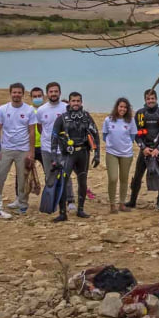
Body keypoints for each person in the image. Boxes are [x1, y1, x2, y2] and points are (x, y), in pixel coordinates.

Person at [51, 92, 100, 221]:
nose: (76, 103)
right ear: (69, 102)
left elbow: (95, 135)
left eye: (78, 101)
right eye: (73, 101)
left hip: (83, 152)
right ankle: (62, 213)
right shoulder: (62, 118)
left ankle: (81, 210)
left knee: (82, 182)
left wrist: (97, 154)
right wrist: (54, 157)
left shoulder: (86, 117)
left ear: (81, 102)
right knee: (63, 181)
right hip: (68, 154)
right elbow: (54, 137)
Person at [0, 82, 37, 214]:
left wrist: (31, 152)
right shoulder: (2, 109)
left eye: (19, 92)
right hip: (6, 149)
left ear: (23, 94)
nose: (16, 95)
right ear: (10, 93)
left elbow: (32, 132)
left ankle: (23, 204)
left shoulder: (29, 110)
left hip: (23, 150)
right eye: (14, 92)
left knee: (23, 178)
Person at [128, 88, 159, 210]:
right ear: (145, 100)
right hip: (145, 149)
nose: (150, 101)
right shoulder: (140, 113)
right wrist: (143, 147)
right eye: (148, 99)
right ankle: (132, 200)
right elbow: (136, 133)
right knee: (137, 175)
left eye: (152, 98)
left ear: (156, 99)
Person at [36, 82, 72, 211]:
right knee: (50, 175)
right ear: (47, 94)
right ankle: (52, 199)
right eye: (51, 92)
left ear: (60, 93)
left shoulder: (66, 108)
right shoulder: (41, 110)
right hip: (46, 148)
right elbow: (40, 128)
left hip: (63, 148)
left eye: (56, 91)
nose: (53, 94)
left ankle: (70, 200)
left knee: (66, 174)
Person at [103, 97, 138, 213]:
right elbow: (104, 135)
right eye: (120, 106)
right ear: (117, 107)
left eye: (125, 107)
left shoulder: (130, 121)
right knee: (113, 178)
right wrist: (112, 144)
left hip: (126, 154)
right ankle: (112, 204)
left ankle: (122, 204)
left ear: (127, 109)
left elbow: (133, 136)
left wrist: (125, 145)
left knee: (124, 178)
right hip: (111, 153)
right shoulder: (108, 119)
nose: (122, 109)